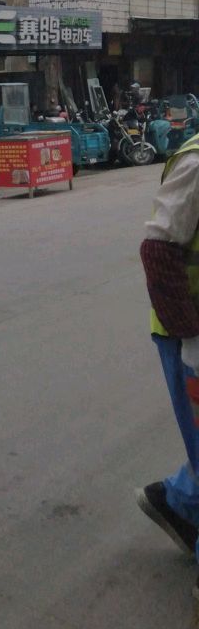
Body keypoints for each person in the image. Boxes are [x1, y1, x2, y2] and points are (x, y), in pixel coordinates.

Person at [138, 131, 199, 584]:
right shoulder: (197, 163)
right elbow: (158, 250)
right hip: (188, 341)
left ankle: (176, 499)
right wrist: (190, 333)